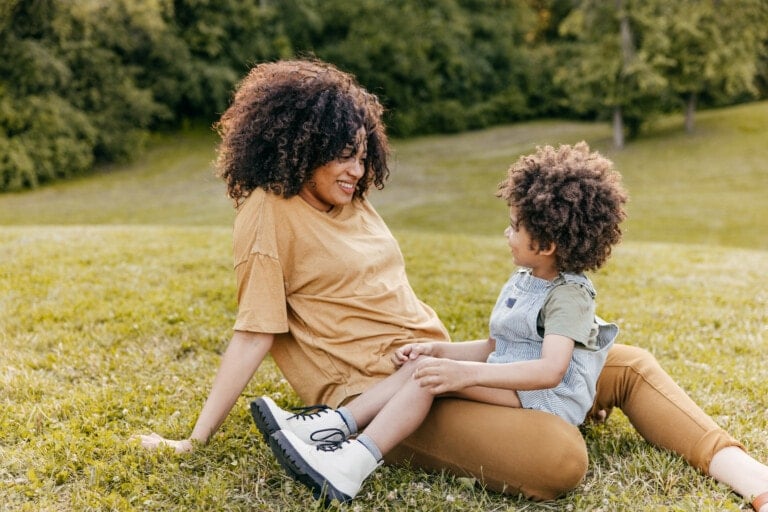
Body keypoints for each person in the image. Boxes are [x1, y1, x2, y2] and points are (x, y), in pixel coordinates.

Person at [133, 58, 768, 511]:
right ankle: (339, 435)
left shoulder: (353, 202)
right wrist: (194, 440)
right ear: (299, 144)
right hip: (376, 396)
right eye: (342, 154)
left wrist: (453, 359)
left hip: (442, 367)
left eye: (362, 154)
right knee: (560, 458)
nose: (356, 169)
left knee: (627, 365)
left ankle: (752, 479)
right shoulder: (268, 214)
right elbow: (255, 332)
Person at [250, 142, 625, 503]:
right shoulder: (528, 278)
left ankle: (350, 464)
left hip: (547, 400)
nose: (506, 234)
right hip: (517, 385)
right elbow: (497, 348)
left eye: (515, 227)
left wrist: (465, 375)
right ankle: (332, 426)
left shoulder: (569, 296)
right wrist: (438, 351)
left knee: (428, 378)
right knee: (425, 366)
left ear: (546, 245)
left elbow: (550, 371)